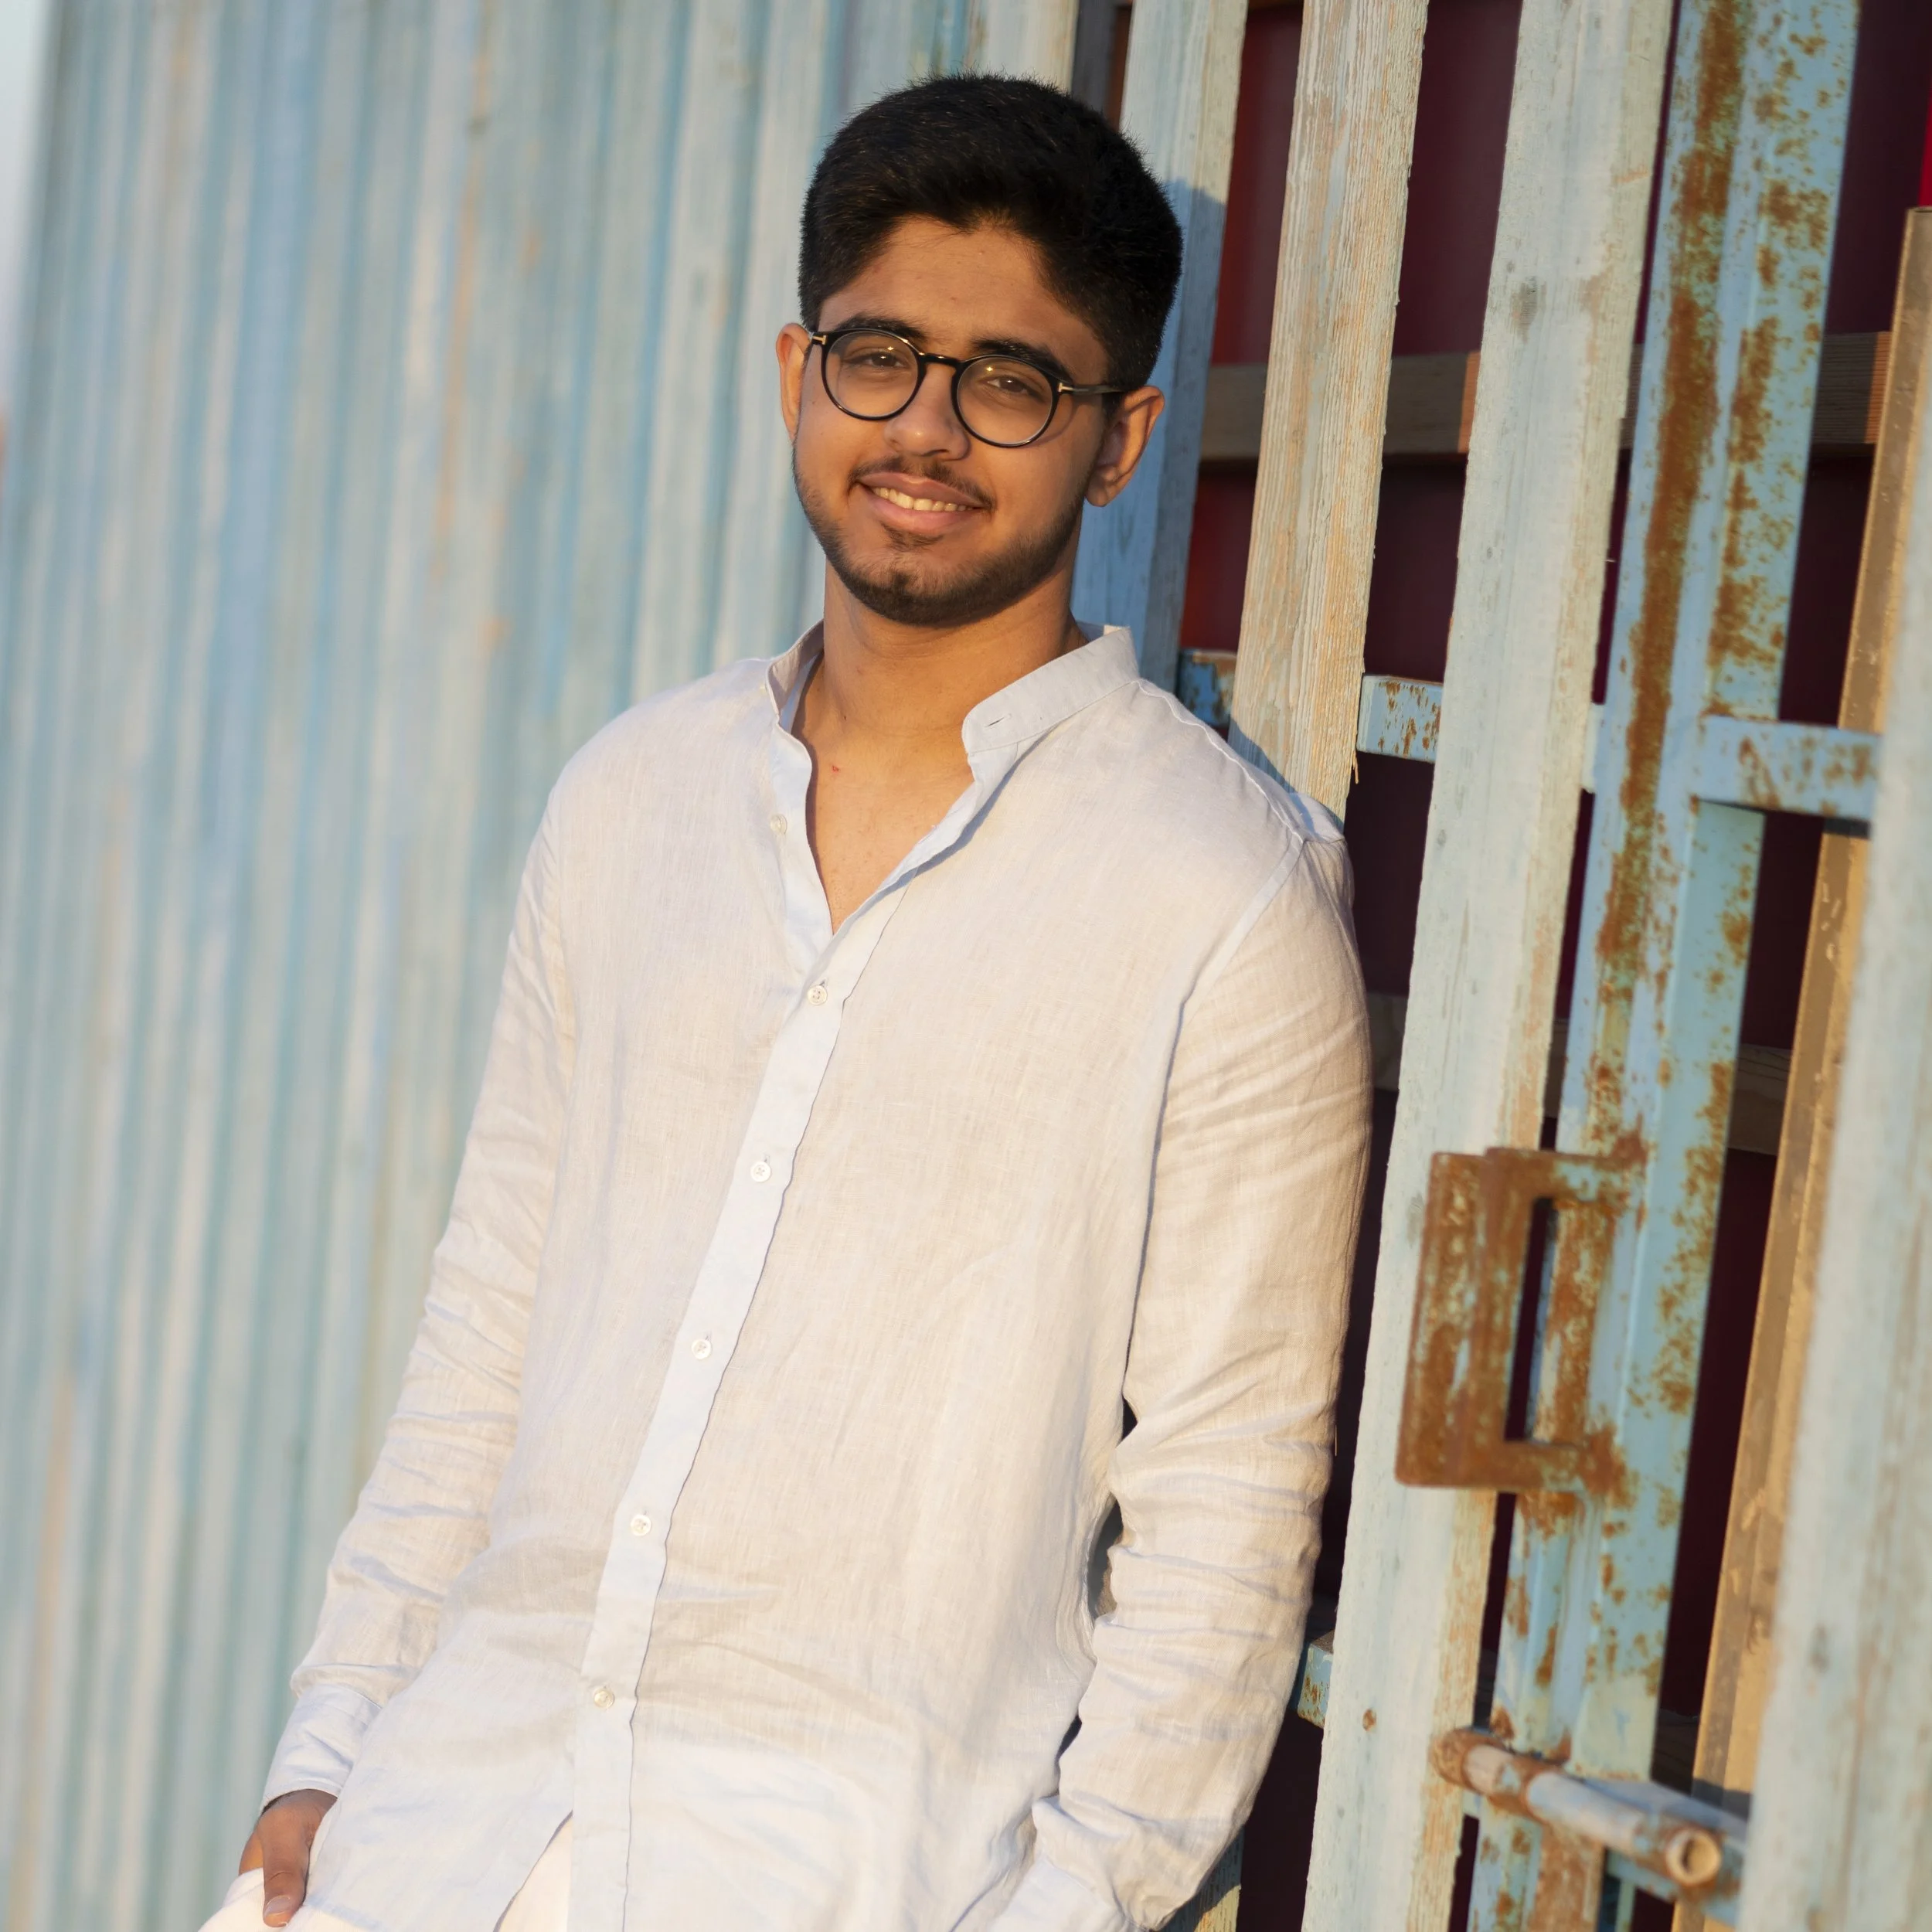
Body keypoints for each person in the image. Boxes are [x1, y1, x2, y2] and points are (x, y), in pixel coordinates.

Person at [208, 73, 1371, 1932]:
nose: (926, 425)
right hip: (430, 1836)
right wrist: (324, 1754)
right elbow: (489, 1324)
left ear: (1120, 436)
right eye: (879, 354)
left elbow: (1225, 1507)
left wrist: (1068, 1908)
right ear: (793, 372)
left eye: (1011, 380)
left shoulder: (1216, 895)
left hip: (836, 1873)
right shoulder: (628, 799)